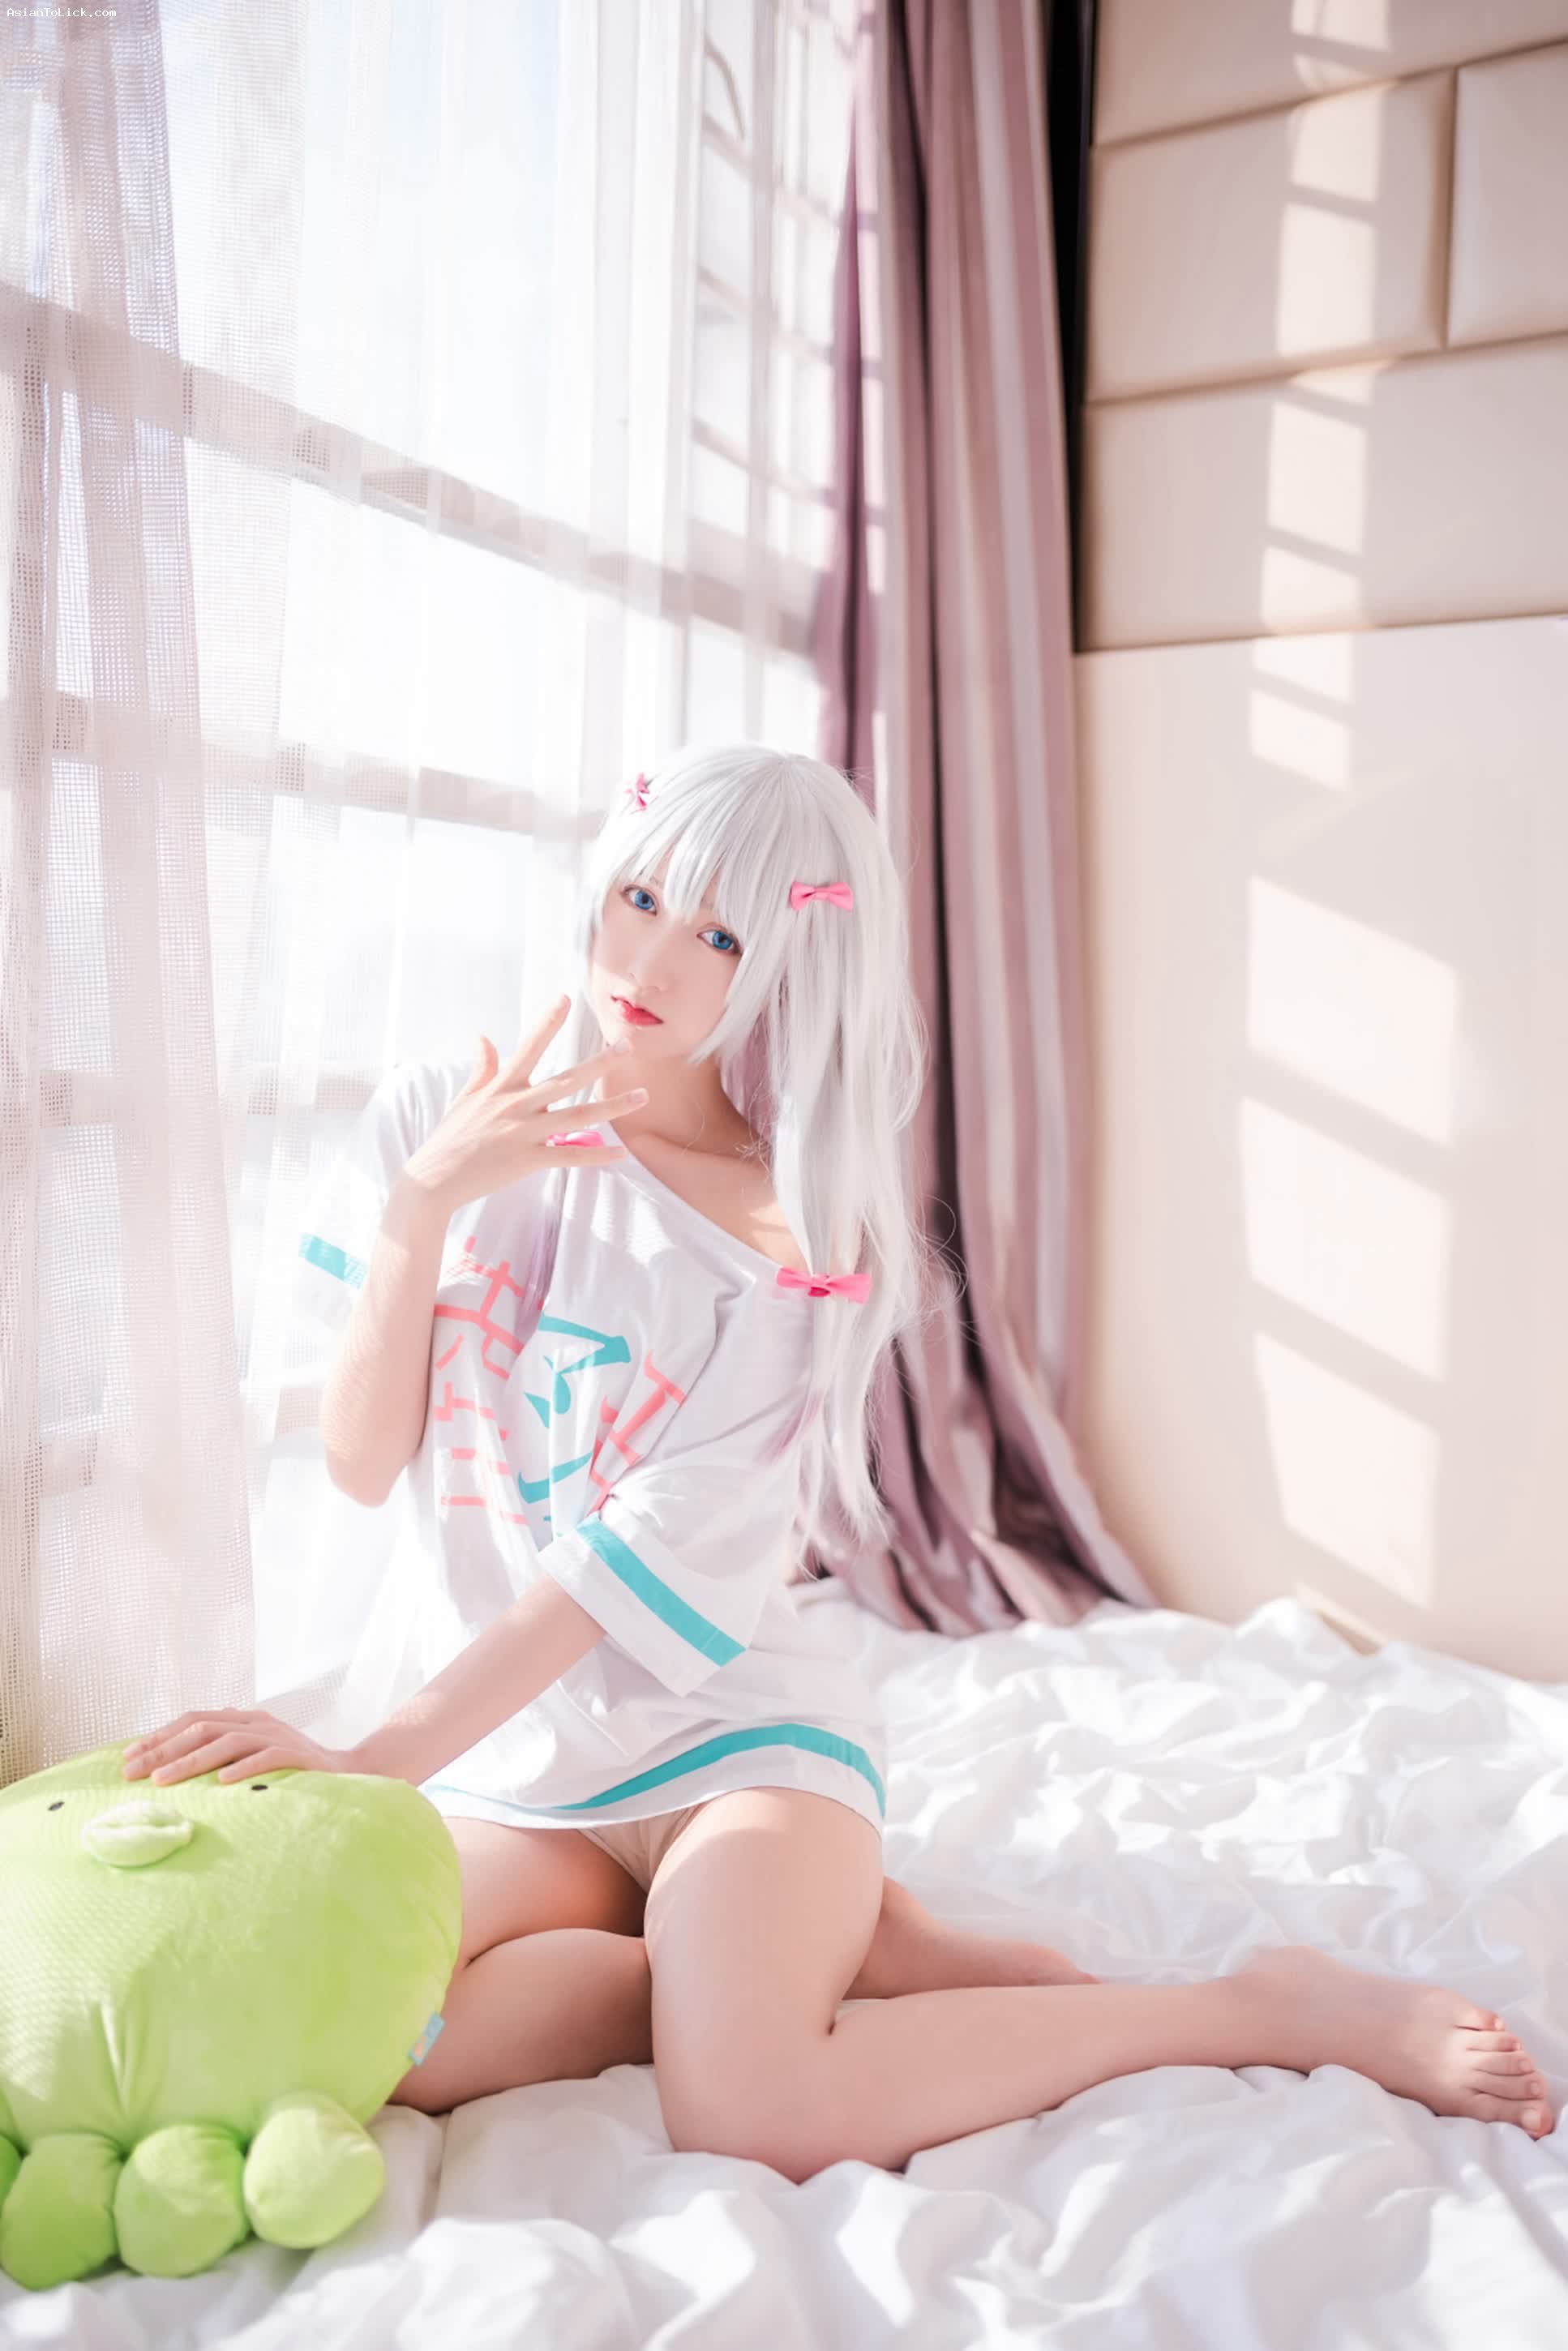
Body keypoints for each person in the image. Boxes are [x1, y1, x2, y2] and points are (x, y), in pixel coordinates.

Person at [124, 746, 1554, 2178]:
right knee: (381, 2035)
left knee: (752, 2110)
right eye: (642, 899)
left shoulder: (793, 1246)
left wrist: (373, 1761)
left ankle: (1249, 2005)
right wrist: (425, 1204)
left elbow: (604, 1579)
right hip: (524, 1773)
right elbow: (360, 1461)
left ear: (786, 967)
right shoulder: (448, 1110)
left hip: (730, 1746)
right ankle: (795, 1954)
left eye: (721, 936)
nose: (653, 961)